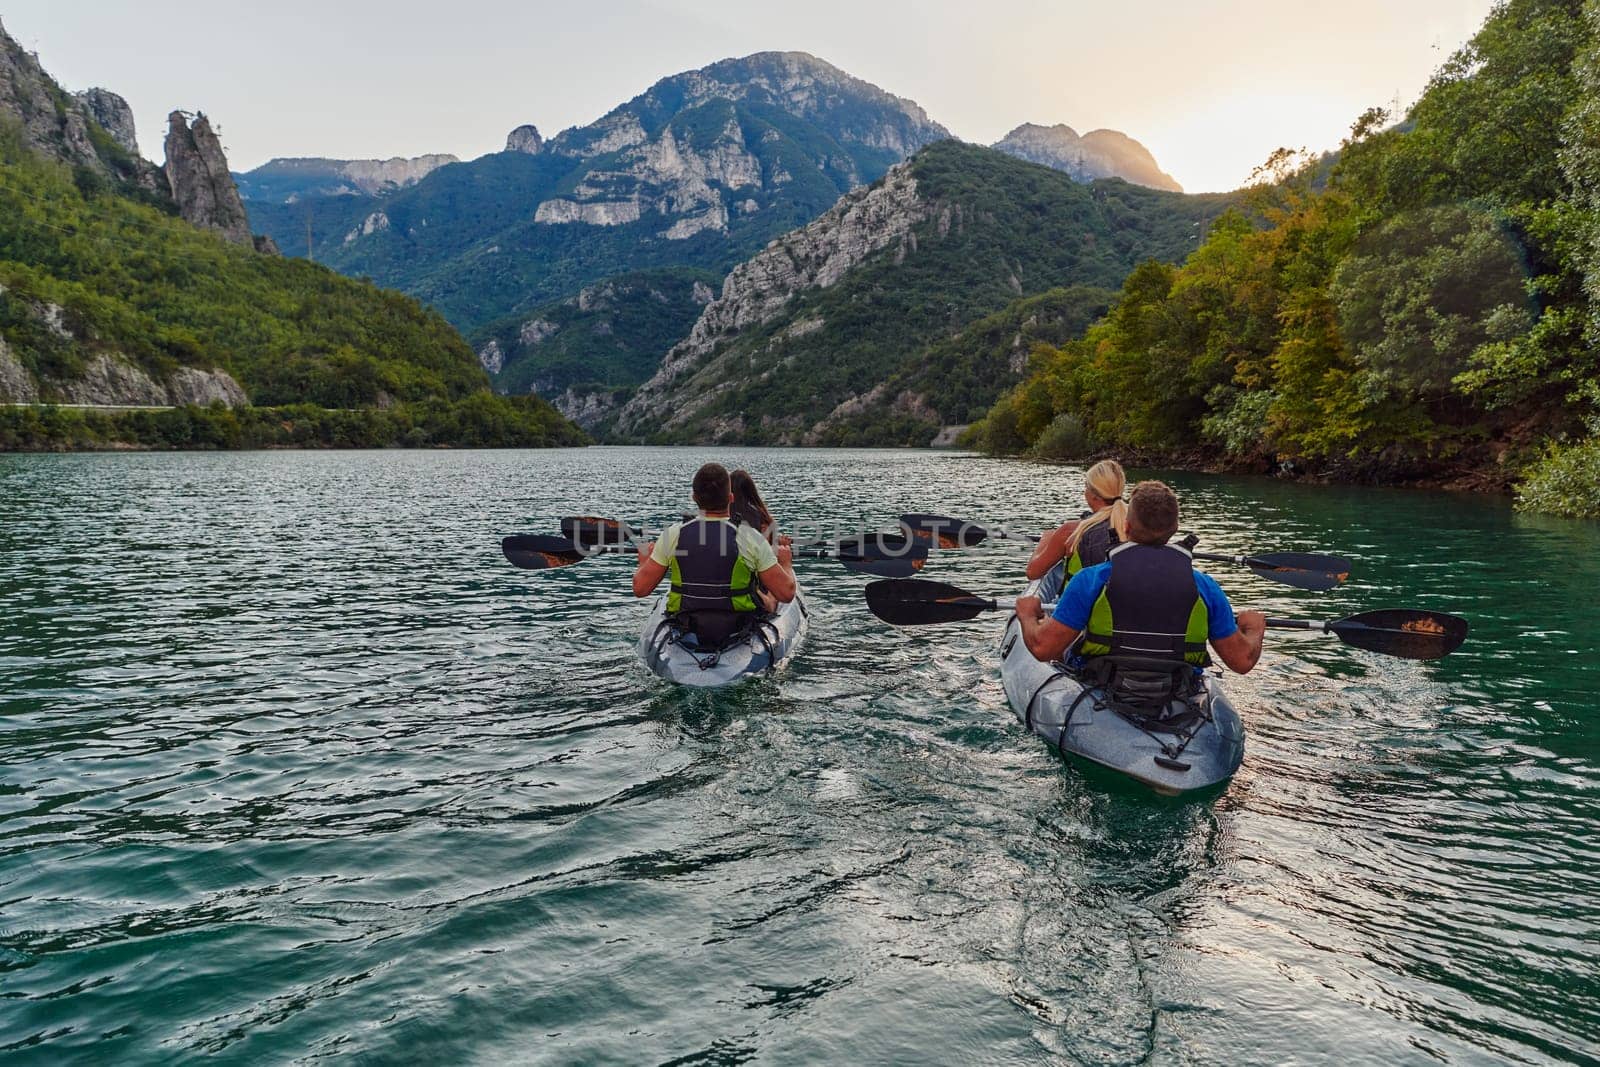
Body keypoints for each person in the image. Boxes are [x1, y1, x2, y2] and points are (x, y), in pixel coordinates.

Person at [1015, 480, 1265, 675]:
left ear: (1126, 527)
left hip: (1102, 681)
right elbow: (1242, 662)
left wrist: (1027, 613)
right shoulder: (1205, 587)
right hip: (1177, 688)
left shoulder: (1090, 580)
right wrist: (1254, 628)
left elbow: (1043, 648)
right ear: (1174, 530)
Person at [633, 462, 796, 647]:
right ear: (730, 497)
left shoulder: (672, 535)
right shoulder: (751, 538)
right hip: (737, 626)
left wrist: (643, 562)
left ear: (694, 497)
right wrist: (786, 564)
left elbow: (640, 589)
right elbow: (786, 594)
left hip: (685, 624)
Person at [1025, 458, 1128, 581]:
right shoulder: (1138, 526)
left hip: (1084, 600)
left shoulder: (1070, 531)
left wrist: (1045, 541)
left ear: (1094, 495)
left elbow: (1032, 573)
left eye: (1086, 486)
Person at [729, 468, 792, 613]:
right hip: (756, 585)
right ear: (752, 491)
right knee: (774, 593)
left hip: (731, 582)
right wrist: (784, 553)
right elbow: (770, 556)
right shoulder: (764, 521)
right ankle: (771, 599)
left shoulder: (720, 516)